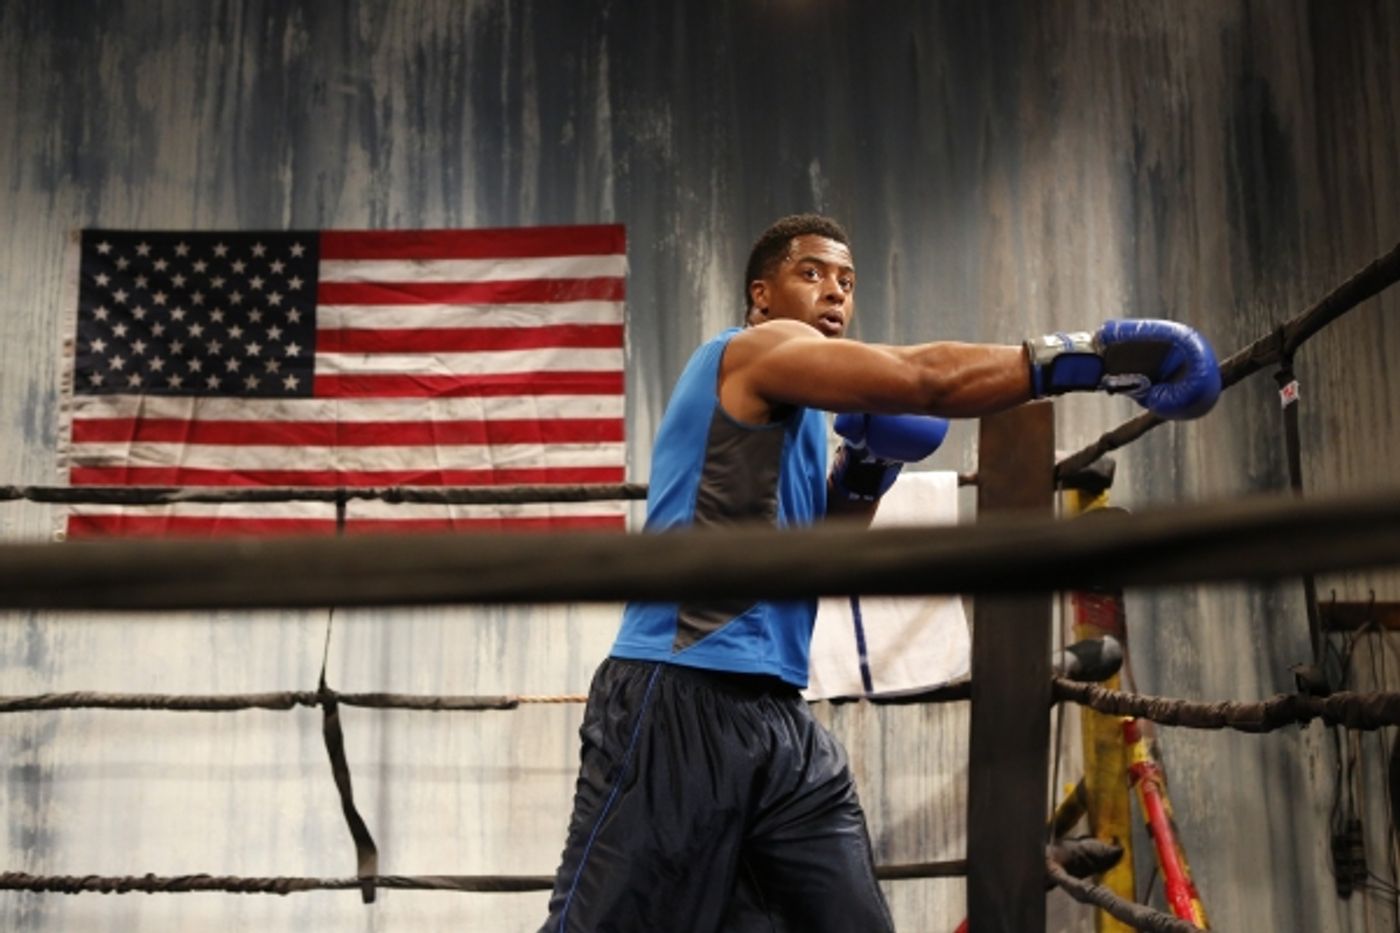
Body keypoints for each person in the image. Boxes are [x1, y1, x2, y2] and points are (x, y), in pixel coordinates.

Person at [540, 214, 1220, 932]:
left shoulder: (801, 413)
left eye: (847, 280)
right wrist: (1092, 357)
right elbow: (923, 380)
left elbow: (818, 551)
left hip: (778, 717)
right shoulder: (753, 353)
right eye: (812, 273)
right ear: (761, 295)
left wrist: (864, 475)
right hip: (678, 700)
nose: (835, 292)